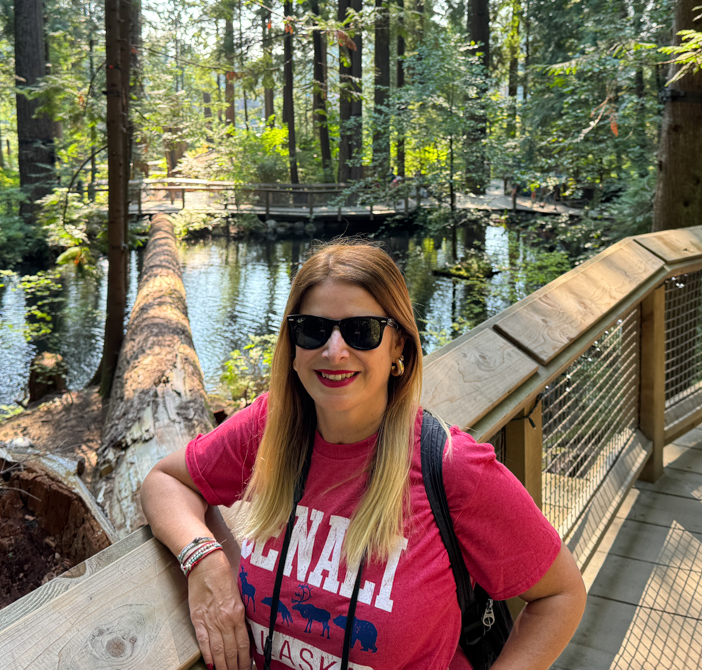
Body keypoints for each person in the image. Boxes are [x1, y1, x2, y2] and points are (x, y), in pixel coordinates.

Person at [141, 240, 586, 670]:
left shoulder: (452, 468)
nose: (334, 350)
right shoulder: (270, 427)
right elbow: (167, 480)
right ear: (293, 346)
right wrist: (204, 560)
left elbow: (561, 594)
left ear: (398, 347)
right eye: (313, 329)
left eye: (361, 331)